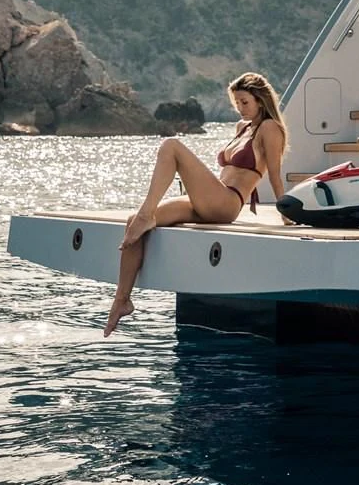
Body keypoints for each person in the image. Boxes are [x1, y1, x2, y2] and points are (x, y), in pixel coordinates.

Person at [103, 71, 288, 336]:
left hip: (226, 202)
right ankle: (122, 300)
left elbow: (275, 174)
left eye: (245, 102)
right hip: (211, 197)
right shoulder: (242, 128)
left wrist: (285, 211)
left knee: (172, 146)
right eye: (236, 103)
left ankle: (147, 214)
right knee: (134, 222)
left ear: (261, 99)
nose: (240, 108)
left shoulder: (270, 128)